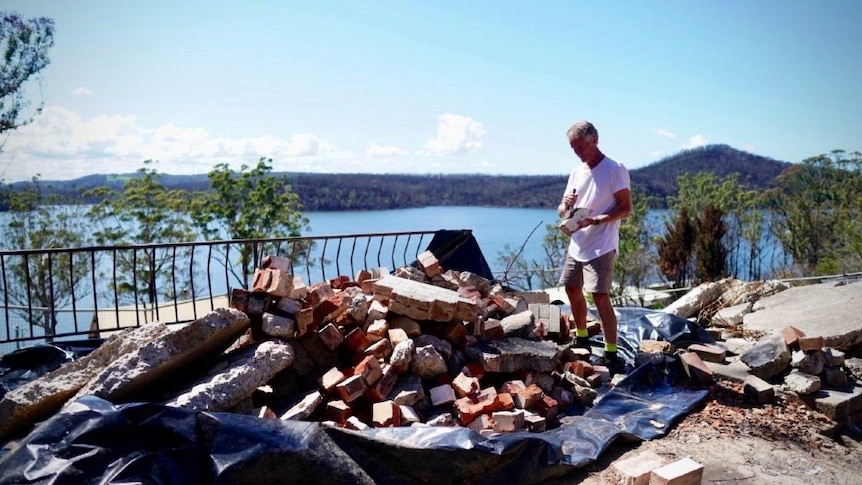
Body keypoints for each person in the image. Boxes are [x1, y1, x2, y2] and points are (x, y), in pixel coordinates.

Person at [557, 120, 632, 375]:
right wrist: (566, 206)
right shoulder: (577, 173)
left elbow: (626, 208)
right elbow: (562, 212)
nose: (578, 152)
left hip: (601, 244)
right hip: (577, 242)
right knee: (571, 288)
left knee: (600, 296)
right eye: (574, 149)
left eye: (581, 147)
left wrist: (597, 220)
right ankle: (582, 339)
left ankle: (611, 353)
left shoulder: (615, 169)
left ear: (595, 141)